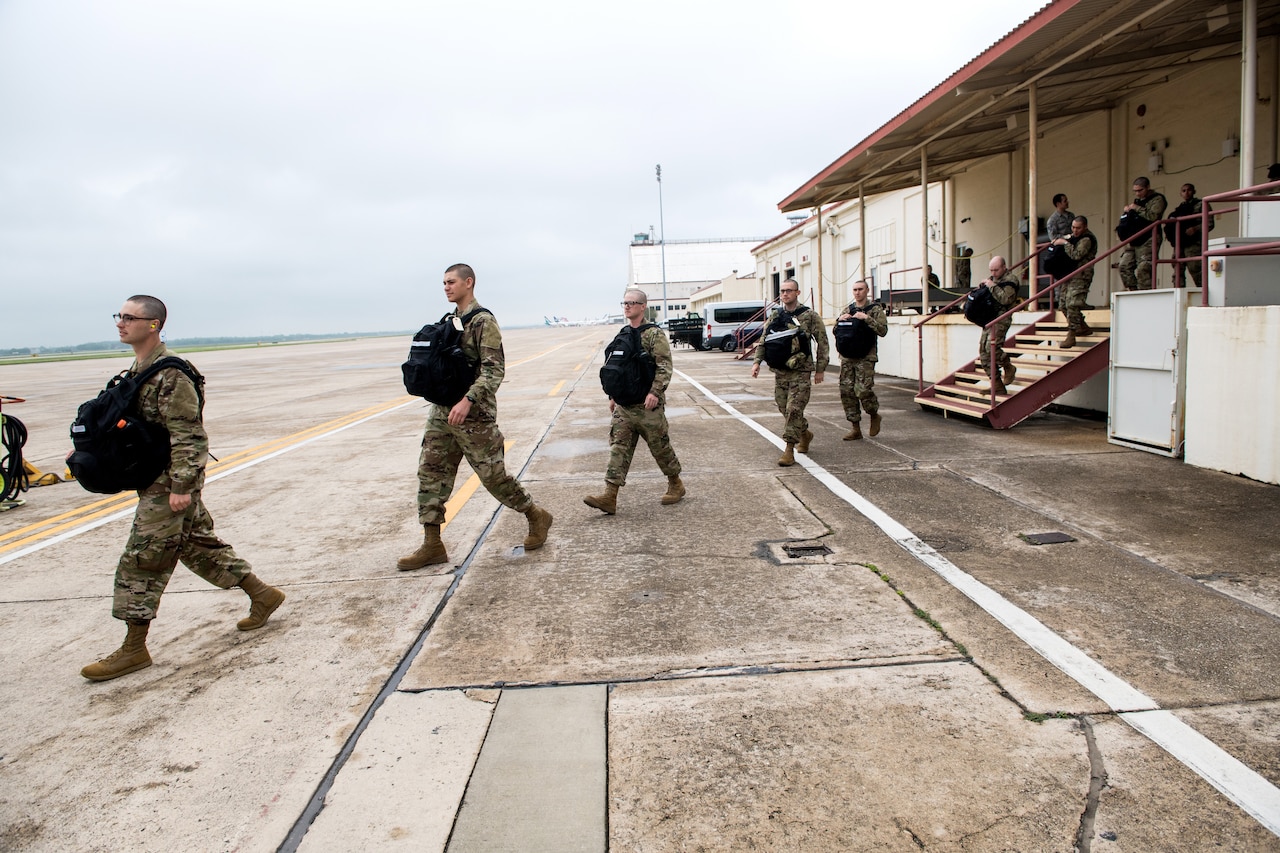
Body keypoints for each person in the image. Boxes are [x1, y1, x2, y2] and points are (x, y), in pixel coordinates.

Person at [80, 296, 285, 682]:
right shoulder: (139, 368)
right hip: (156, 477)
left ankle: (133, 649)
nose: (121, 323)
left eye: (130, 317)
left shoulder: (172, 373)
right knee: (195, 544)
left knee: (143, 558)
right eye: (118, 316)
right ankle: (262, 594)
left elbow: (189, 435)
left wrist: (181, 486)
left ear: (154, 324)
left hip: (168, 481)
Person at [398, 263, 552, 570]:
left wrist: (468, 400)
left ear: (469, 283)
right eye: (443, 283)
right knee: (431, 472)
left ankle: (536, 515)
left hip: (474, 414)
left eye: (451, 282)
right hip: (443, 410)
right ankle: (432, 544)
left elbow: (495, 370)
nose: (446, 287)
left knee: (493, 477)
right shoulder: (450, 321)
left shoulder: (483, 321)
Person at [584, 289, 684, 514]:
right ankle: (610, 496)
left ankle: (676, 484)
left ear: (642, 306)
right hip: (624, 406)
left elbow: (664, 366)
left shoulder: (654, 335)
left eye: (632, 303)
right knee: (618, 449)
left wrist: (655, 393)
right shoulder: (623, 334)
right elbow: (617, 369)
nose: (627, 306)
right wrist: (613, 396)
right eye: (625, 303)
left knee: (661, 448)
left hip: (648, 406)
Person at [751, 278, 828, 466]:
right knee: (783, 407)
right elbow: (764, 339)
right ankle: (805, 434)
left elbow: (822, 342)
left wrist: (820, 369)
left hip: (801, 370)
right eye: (782, 291)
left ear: (797, 293)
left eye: (789, 291)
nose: (785, 294)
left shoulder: (809, 316)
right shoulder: (776, 316)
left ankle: (788, 450)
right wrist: (756, 362)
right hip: (781, 371)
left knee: (794, 409)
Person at [837, 280, 888, 440]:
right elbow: (836, 331)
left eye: (860, 289)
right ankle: (855, 428)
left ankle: (874, 414)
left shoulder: (875, 310)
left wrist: (867, 318)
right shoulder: (848, 309)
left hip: (866, 356)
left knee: (863, 390)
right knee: (847, 392)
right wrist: (840, 321)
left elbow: (883, 331)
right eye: (855, 290)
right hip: (847, 357)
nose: (857, 292)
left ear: (867, 290)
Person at [976, 256, 1021, 395]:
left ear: (1004, 267)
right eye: (991, 270)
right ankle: (997, 384)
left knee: (992, 348)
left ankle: (1008, 366)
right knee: (983, 352)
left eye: (996, 270)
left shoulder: (1011, 280)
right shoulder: (992, 280)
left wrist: (991, 286)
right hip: (989, 319)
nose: (993, 273)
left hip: (1001, 319)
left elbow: (1006, 299)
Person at [1051, 216, 1097, 348]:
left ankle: (1072, 334)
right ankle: (1082, 326)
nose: (1075, 231)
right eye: (1073, 227)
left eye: (1078, 228)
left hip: (1082, 275)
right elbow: (1067, 239)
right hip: (1070, 274)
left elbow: (1076, 254)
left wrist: (1065, 244)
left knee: (1073, 304)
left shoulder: (1087, 239)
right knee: (1063, 304)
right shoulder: (1074, 237)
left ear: (1085, 227)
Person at [1117, 176, 1167, 291]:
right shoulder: (1137, 202)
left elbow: (1153, 216)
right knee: (1124, 266)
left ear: (1148, 187)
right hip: (1135, 238)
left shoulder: (1157, 199)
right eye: (1135, 191)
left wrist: (1136, 208)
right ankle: (1133, 291)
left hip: (1149, 237)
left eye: (1140, 190)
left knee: (1144, 267)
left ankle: (1146, 294)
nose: (1138, 194)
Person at [1166, 183, 1212, 288]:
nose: (1186, 193)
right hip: (1180, 242)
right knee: (1178, 269)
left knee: (1196, 268)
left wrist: (1195, 229)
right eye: (1183, 191)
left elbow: (1209, 223)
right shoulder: (1179, 209)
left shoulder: (1201, 204)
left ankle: (1204, 293)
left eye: (1189, 190)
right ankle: (1178, 294)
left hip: (1193, 243)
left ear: (1194, 191)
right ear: (1180, 193)